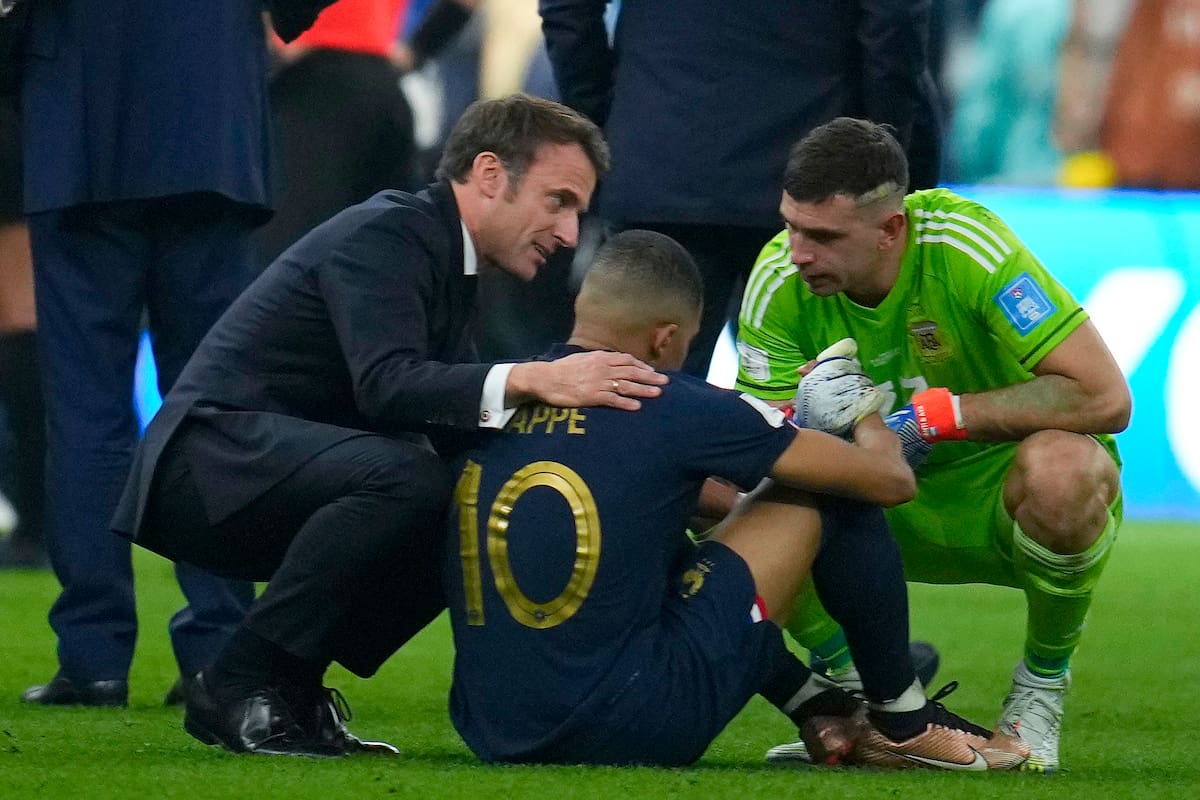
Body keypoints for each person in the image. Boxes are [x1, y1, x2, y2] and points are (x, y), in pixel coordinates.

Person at [111, 94, 668, 758]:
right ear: (489, 175)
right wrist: (532, 378)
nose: (572, 233)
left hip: (259, 463)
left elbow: (448, 416)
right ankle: (240, 679)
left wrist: (613, 465)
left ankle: (290, 688)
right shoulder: (388, 233)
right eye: (559, 201)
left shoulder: (444, 252)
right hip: (205, 468)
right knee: (408, 478)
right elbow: (388, 384)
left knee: (475, 486)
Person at [442, 228, 1030, 770]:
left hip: (494, 731)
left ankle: (817, 706)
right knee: (830, 487)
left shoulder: (502, 393)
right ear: (666, 338)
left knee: (664, 545)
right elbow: (889, 481)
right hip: (631, 726)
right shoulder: (669, 400)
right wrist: (860, 411)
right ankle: (904, 722)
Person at [734, 117, 1130, 772]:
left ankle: (1040, 687)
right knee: (710, 489)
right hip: (867, 508)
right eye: (791, 225)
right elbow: (754, 446)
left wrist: (936, 418)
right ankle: (854, 692)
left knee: (1066, 468)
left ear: (892, 229)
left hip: (991, 494)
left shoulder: (963, 245)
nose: (797, 251)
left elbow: (1104, 396)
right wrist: (809, 422)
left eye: (823, 236)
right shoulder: (779, 275)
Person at [11, 0, 336, 708]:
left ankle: (93, 659)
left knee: (87, 412)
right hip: (209, 131)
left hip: (81, 132)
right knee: (214, 411)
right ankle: (217, 650)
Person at [539, 0, 942, 378]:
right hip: (817, 184)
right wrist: (876, 157)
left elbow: (568, 10)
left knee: (634, 406)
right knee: (828, 406)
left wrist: (608, 122)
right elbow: (894, 23)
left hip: (665, 157)